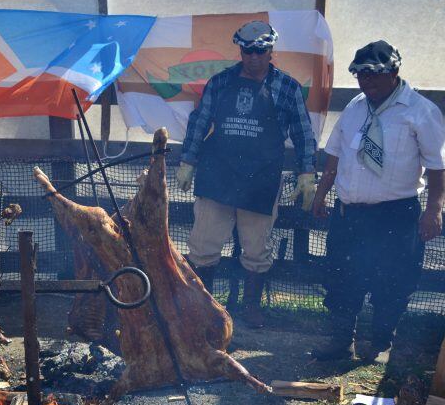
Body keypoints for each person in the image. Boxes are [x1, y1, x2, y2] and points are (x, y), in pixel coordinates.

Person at [311, 40, 445, 362]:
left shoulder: (421, 112)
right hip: (350, 215)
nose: (366, 83)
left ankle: (382, 343)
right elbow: (334, 154)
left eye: (373, 76)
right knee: (342, 279)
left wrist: (433, 211)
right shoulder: (355, 107)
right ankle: (342, 341)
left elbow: (439, 167)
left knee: (392, 283)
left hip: (394, 217)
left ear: (394, 72)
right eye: (360, 76)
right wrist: (320, 193)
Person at [177, 20, 317, 328]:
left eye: (260, 51)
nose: (253, 58)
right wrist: (188, 160)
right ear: (240, 51)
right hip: (219, 173)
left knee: (256, 247)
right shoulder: (221, 82)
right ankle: (204, 309)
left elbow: (303, 133)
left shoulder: (287, 87)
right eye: (247, 51)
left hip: (261, 177)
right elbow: (199, 122)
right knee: (203, 246)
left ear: (270, 51)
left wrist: (307, 171)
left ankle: (250, 308)